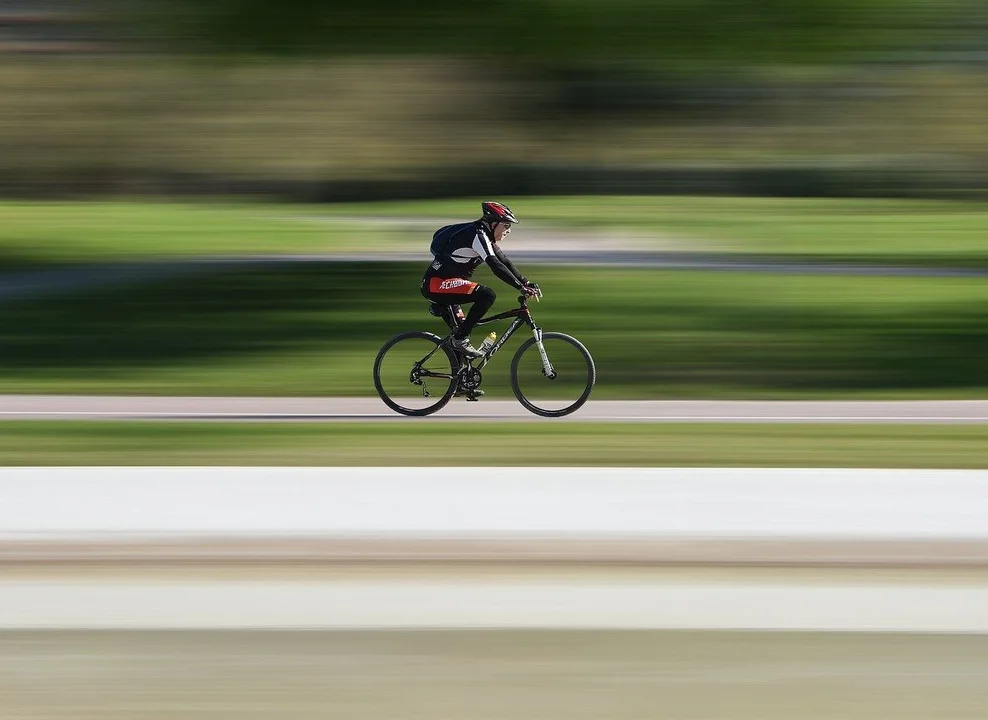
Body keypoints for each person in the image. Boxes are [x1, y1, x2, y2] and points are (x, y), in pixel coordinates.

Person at [421, 201, 539, 358]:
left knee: (462, 345)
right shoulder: (478, 235)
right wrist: (520, 287)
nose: (508, 231)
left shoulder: (484, 236)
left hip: (446, 284)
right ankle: (459, 339)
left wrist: (525, 282)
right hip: (437, 285)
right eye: (506, 226)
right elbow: (495, 265)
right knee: (487, 295)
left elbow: (504, 261)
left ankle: (461, 375)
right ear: (493, 224)